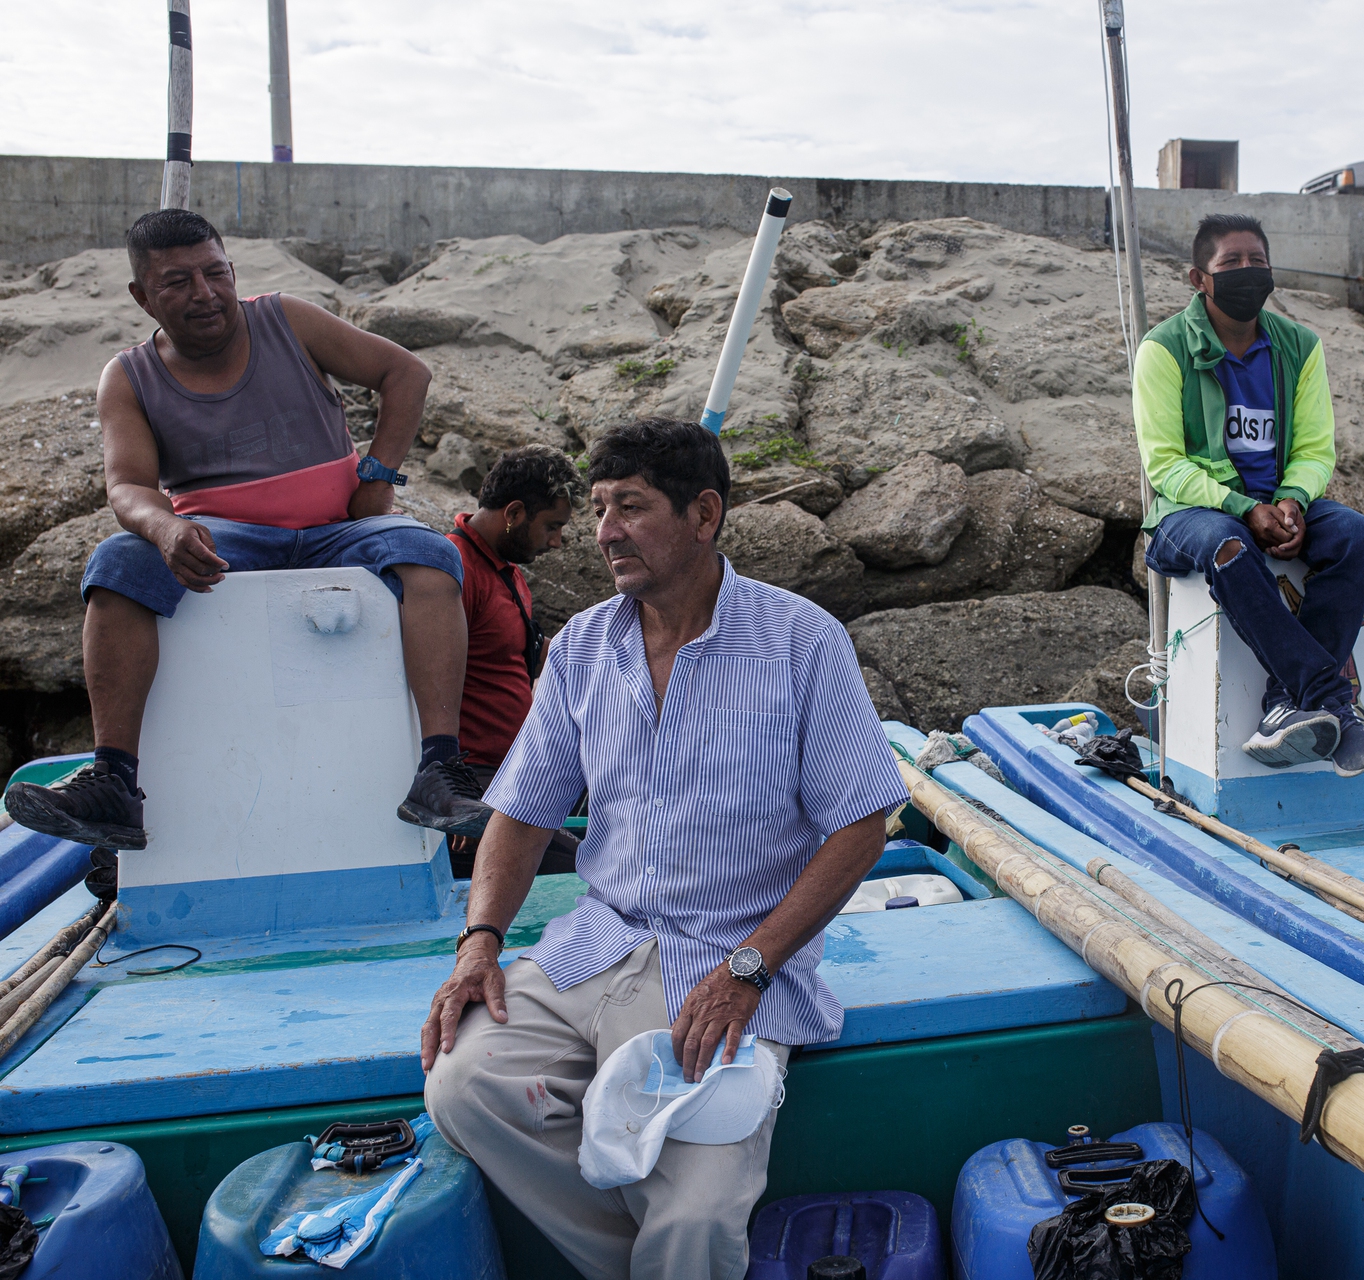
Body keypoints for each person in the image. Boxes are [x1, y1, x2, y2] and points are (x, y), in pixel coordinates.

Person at [419, 418, 910, 1280]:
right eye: (600, 508)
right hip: (597, 946)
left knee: (698, 1210)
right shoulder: (581, 649)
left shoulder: (801, 642)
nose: (604, 532)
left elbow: (861, 825)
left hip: (731, 962)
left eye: (632, 508)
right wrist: (479, 943)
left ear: (704, 514)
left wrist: (751, 967)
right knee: (464, 1085)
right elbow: (525, 814)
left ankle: (669, 1258)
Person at [1, 208, 488, 850]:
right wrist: (165, 530)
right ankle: (114, 783)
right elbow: (127, 488)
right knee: (117, 566)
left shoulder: (287, 319)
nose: (204, 294)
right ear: (141, 297)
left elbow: (406, 374)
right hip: (224, 541)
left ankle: (438, 769)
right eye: (177, 282)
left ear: (233, 272)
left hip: (338, 528)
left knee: (430, 555)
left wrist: (377, 476)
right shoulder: (127, 376)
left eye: (215, 273)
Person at [1136, 213, 1364, 778]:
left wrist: (1293, 501)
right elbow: (1164, 465)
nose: (1247, 272)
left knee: (1356, 537)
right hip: (1191, 515)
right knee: (1228, 543)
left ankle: (1284, 702)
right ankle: (1332, 703)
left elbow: (1316, 449)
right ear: (1200, 278)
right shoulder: (1165, 349)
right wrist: (1243, 508)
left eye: (1257, 261)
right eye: (1231, 263)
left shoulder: (1299, 347)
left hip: (1276, 501)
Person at [444, 444, 583, 878]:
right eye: (552, 526)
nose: (557, 542)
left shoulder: (506, 569)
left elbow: (522, 654)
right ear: (515, 512)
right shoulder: (452, 569)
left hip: (516, 772)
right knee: (585, 867)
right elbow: (419, 686)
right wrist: (455, 794)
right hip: (478, 780)